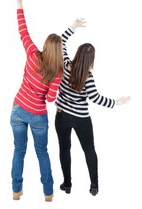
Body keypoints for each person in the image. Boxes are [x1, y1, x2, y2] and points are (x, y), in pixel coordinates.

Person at [54, 18, 131, 196]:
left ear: (77, 53)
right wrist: (116, 102)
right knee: (89, 149)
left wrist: (73, 27)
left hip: (62, 116)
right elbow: (95, 98)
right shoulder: (88, 78)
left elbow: (61, 42)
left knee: (64, 148)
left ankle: (67, 184)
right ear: (91, 59)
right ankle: (94, 185)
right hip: (81, 119)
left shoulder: (66, 66)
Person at [10, 0, 63, 202]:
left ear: (44, 46)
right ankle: (48, 193)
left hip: (18, 110)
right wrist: (53, 87)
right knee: (42, 153)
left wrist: (19, 4)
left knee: (19, 151)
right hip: (38, 116)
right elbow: (50, 99)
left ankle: (16, 191)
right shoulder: (56, 72)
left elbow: (23, 31)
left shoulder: (32, 54)